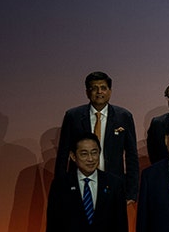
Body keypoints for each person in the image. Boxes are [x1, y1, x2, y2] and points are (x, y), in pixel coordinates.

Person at [55, 71, 139, 205]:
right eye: (94, 88)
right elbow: (63, 155)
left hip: (112, 185)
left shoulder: (123, 116)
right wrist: (59, 188)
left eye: (103, 88)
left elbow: (131, 156)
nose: (99, 92)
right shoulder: (73, 116)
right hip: (79, 184)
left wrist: (131, 193)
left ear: (110, 91)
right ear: (87, 92)